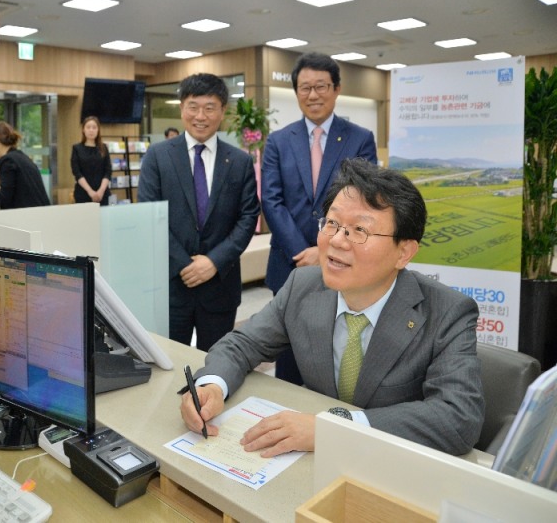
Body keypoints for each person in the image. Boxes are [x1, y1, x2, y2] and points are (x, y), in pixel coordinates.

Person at [180, 159, 484, 457]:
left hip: (387, 467)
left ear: (404, 252)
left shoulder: (447, 312)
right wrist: (212, 385)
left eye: (359, 230)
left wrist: (335, 428)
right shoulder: (303, 285)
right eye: (332, 223)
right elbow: (243, 344)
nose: (337, 240)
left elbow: (458, 418)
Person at [261, 51, 377, 384]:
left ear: (337, 89)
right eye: (305, 87)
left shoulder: (359, 139)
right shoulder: (279, 141)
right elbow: (271, 200)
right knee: (288, 353)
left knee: (336, 352)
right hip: (289, 263)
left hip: (342, 260)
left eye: (321, 86)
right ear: (296, 91)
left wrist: (323, 249)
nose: (313, 95)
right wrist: (304, 252)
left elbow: (363, 201)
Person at [139, 73, 260, 352]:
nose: (200, 116)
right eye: (193, 106)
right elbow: (149, 215)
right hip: (171, 287)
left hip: (220, 288)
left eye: (209, 107)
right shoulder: (158, 157)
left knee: (216, 367)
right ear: (182, 108)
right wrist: (185, 264)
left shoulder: (240, 161)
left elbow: (248, 216)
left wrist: (214, 262)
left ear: (223, 111)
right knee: (168, 364)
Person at [0, 121, 50, 209]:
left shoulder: (7, 161)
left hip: (25, 216)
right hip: (40, 212)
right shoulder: (22, 157)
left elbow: (4, 198)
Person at [71, 115, 112, 205]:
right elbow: (77, 173)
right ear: (83, 130)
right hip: (83, 194)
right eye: (88, 127)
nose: (91, 130)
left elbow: (108, 171)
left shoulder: (104, 148)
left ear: (98, 130)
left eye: (94, 127)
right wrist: (90, 192)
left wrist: (101, 191)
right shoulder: (77, 148)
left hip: (103, 194)